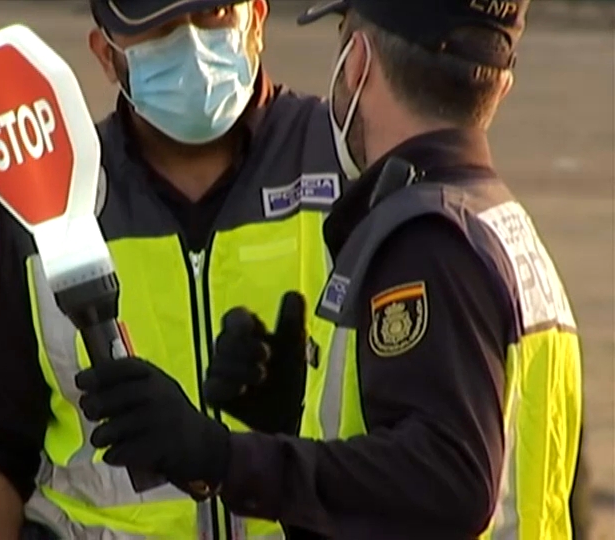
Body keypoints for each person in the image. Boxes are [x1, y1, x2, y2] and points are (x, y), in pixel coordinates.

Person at [75, 0, 585, 538]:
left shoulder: (427, 238)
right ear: (498, 84)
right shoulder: (496, 223)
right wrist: (291, 421)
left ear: (357, 61)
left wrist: (222, 457)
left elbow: (449, 482)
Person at [0, 0, 344, 537]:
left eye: (214, 15)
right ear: (107, 55)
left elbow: (418, 440)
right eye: (161, 29)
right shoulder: (48, 196)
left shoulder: (343, 162)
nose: (194, 46)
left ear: (258, 20)